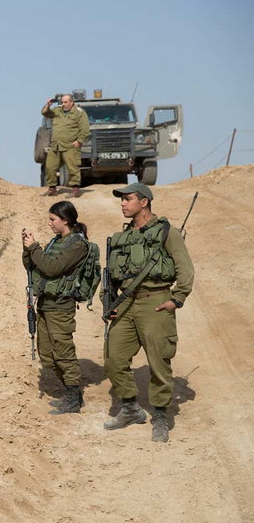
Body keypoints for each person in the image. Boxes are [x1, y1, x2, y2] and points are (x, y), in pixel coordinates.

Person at [103, 184, 194, 442]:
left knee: (159, 362)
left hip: (156, 302)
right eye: (121, 200)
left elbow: (184, 267)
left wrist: (177, 299)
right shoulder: (120, 237)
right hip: (125, 304)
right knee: (113, 359)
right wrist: (108, 302)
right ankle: (130, 408)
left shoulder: (166, 232)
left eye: (128, 199)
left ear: (144, 202)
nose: (123, 204)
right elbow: (109, 276)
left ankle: (161, 416)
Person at [22, 201, 90, 414]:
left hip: (61, 305)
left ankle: (72, 397)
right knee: (47, 354)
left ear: (66, 220)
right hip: (45, 303)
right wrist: (27, 248)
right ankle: (72, 394)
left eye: (53, 219)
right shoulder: (55, 242)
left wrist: (34, 247)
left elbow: (51, 268)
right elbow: (34, 266)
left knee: (63, 352)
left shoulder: (77, 245)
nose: (50, 223)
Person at [41, 94, 90, 198]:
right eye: (62, 102)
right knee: (50, 167)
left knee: (73, 168)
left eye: (66, 102)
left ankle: (75, 190)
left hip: (70, 146)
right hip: (56, 145)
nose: (63, 104)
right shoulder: (58, 110)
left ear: (72, 102)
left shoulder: (79, 113)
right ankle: (52, 189)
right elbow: (45, 113)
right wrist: (48, 105)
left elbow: (85, 129)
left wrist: (79, 141)